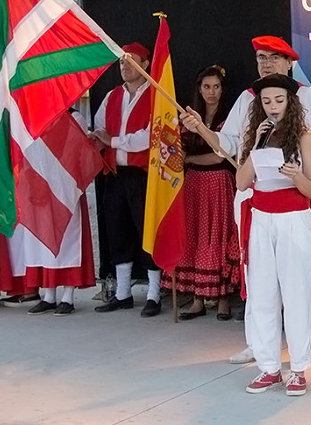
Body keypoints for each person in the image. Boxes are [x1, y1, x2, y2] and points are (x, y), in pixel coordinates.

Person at [181, 35, 311, 365]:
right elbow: (227, 144)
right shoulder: (249, 98)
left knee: (296, 282)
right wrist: (201, 130)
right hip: (252, 194)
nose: (266, 63)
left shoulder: (306, 97)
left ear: (290, 63)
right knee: (255, 277)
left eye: (273, 58)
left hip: (292, 198)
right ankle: (260, 344)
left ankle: (304, 350)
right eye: (261, 58)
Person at [236, 73, 311, 397]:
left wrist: (296, 174)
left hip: (293, 220)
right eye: (266, 101)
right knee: (262, 293)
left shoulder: (304, 136)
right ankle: (269, 366)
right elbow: (242, 183)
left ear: (291, 102)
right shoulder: (257, 135)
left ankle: (298, 367)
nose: (272, 107)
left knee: (296, 293)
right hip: (262, 219)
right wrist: (256, 145)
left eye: (279, 101)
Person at [91, 43, 162, 318]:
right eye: (121, 62)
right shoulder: (111, 96)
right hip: (115, 174)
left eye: (131, 61)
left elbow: (151, 135)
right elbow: (99, 128)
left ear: (145, 65)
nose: (125, 66)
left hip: (142, 175)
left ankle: (154, 293)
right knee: (117, 231)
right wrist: (96, 140)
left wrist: (115, 141)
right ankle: (122, 293)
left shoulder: (156, 94)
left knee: (147, 232)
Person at [167, 65, 239, 321]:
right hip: (194, 185)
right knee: (196, 235)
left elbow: (223, 155)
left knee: (217, 236)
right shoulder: (188, 118)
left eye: (216, 87)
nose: (212, 92)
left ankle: (222, 299)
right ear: (199, 89)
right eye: (207, 86)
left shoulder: (229, 118)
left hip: (219, 182)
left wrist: (190, 159)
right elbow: (178, 150)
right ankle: (198, 298)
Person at [17, 108, 97, 316]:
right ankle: (48, 295)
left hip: (64, 186)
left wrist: (57, 179)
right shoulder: (33, 115)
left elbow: (75, 153)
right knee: (40, 240)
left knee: (67, 242)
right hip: (37, 184)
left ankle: (67, 297)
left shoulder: (74, 117)